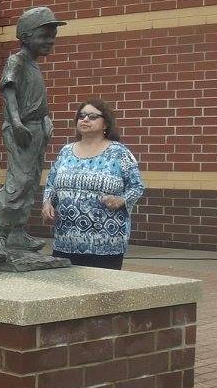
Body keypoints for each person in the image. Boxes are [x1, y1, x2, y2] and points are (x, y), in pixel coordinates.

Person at [0, 6, 64, 261]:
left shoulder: (34, 65)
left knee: (31, 181)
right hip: (21, 129)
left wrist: (45, 118)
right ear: (27, 36)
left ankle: (18, 232)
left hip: (36, 128)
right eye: (45, 35)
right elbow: (9, 92)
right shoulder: (17, 61)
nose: (50, 41)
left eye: (53, 35)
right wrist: (17, 122)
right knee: (17, 182)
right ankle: (0, 235)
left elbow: (35, 99)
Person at [42, 99, 145, 269]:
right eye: (81, 116)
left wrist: (121, 200)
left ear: (106, 124)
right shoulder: (66, 151)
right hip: (66, 240)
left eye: (92, 116)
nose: (85, 120)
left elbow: (137, 186)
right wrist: (47, 203)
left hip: (105, 243)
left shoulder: (118, 152)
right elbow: (51, 183)